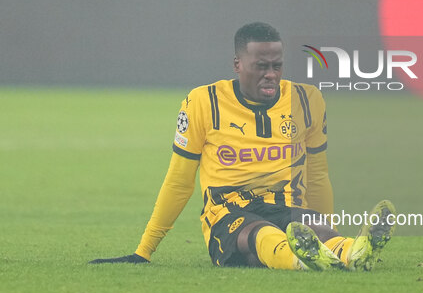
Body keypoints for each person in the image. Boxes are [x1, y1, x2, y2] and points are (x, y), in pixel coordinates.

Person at [90, 22, 395, 271]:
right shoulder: (203, 102)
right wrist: (144, 250)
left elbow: (316, 174)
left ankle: (350, 253)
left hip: (283, 205)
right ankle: (302, 260)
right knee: (260, 235)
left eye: (277, 66)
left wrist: (327, 228)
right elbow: (179, 182)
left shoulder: (307, 100)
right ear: (237, 64)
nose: (271, 75)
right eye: (261, 66)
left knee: (314, 225)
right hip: (228, 212)